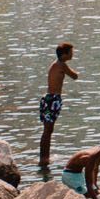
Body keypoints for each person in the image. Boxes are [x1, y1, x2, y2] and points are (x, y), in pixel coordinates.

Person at [39, 43, 76, 173]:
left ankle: (45, 157)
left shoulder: (56, 64)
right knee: (48, 130)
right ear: (64, 54)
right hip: (52, 99)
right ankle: (43, 158)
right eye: (71, 52)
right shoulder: (61, 65)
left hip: (49, 98)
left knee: (48, 130)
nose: (72, 54)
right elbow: (74, 76)